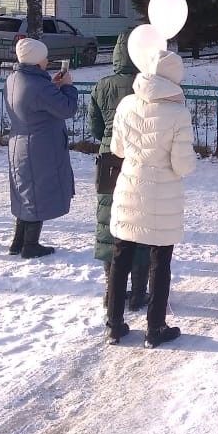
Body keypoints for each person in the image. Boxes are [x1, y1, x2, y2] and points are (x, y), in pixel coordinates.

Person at [106, 49, 196, 347]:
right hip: (162, 195)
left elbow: (117, 149)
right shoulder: (178, 113)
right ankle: (155, 327)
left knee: (121, 257)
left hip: (130, 187)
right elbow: (183, 164)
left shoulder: (127, 103)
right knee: (161, 260)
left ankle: (114, 324)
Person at [89, 29, 150, 309]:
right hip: (139, 158)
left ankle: (111, 291)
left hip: (109, 160)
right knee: (139, 222)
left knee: (108, 221)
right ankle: (138, 292)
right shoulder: (147, 85)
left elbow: (96, 128)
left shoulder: (102, 86)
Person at [4, 38, 78, 259]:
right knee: (38, 192)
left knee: (24, 191)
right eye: (44, 57)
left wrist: (53, 87)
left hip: (19, 143)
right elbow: (67, 108)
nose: (47, 61)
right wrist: (68, 87)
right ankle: (30, 244)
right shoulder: (38, 86)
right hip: (40, 147)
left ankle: (18, 241)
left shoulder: (13, 79)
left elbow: (35, 102)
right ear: (37, 60)